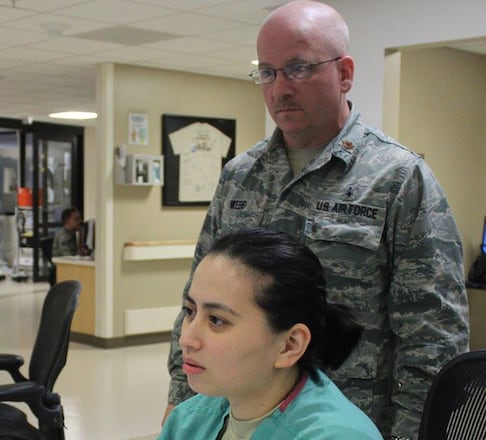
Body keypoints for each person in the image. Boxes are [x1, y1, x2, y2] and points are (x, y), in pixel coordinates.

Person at [164, 2, 470, 439]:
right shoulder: (240, 176)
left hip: (353, 420)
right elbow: (198, 293)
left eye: (298, 69)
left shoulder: (398, 179)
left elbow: (433, 332)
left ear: (344, 73)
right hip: (244, 417)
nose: (279, 89)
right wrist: (182, 395)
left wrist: (411, 434)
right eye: (267, 72)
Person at [160, 228, 382, 439]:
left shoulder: (338, 436)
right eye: (190, 311)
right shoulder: (189, 421)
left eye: (216, 320)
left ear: (289, 345)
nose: (186, 339)